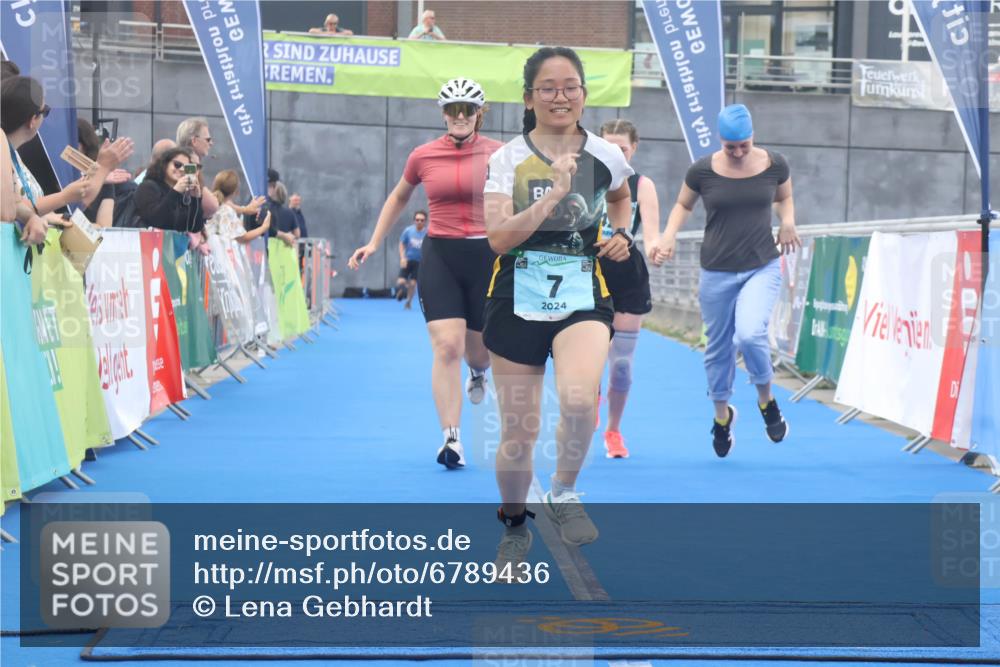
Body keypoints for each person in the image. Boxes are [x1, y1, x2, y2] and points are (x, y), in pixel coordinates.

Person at [482, 47, 634, 570]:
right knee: (519, 433)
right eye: (547, 88)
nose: (560, 97)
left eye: (570, 86)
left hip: (582, 293)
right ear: (529, 98)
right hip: (515, 295)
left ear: (584, 95)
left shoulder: (606, 155)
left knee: (578, 398)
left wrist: (622, 234)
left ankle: (564, 491)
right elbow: (498, 239)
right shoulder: (507, 160)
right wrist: (555, 194)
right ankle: (514, 526)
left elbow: (620, 197)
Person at [348, 77, 502, 470]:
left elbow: (524, 199)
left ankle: (478, 371)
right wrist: (374, 241)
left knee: (479, 351)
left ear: (479, 113)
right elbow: (398, 196)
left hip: (486, 255)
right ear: (444, 114)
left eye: (468, 110)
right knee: (447, 346)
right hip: (441, 255)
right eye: (453, 110)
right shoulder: (423, 155)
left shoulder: (500, 154)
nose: (460, 116)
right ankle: (452, 439)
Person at [649, 104, 801, 458]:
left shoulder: (775, 164)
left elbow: (785, 197)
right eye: (730, 146)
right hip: (716, 269)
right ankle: (722, 417)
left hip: (761, 264)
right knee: (718, 348)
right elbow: (683, 205)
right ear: (720, 140)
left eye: (744, 145)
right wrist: (668, 235)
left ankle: (767, 401)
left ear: (752, 137)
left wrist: (788, 220)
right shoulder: (702, 170)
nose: (737, 153)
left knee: (749, 333)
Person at [596, 119, 661, 460]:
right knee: (588, 355)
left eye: (621, 148)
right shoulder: (585, 179)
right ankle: (588, 399)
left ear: (633, 149)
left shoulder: (642, 185)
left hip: (627, 275)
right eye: (608, 146)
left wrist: (656, 247)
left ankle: (613, 430)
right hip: (590, 273)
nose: (615, 153)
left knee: (621, 364)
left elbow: (650, 231)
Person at [2, 76, 90, 218]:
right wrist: (64, 196)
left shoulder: (13, 153)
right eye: (46, 110)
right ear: (32, 120)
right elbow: (8, 207)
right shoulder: (5, 153)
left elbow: (18, 205)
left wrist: (52, 218)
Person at [78, 118, 135, 228]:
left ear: (85, 145)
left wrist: (99, 174)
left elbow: (104, 226)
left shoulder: (106, 181)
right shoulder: (56, 173)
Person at [133, 147, 205, 233]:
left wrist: (195, 199)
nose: (181, 169)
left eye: (186, 167)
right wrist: (175, 192)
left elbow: (195, 227)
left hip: (174, 240)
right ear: (165, 164)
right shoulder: (147, 187)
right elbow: (157, 220)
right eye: (177, 165)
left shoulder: (182, 194)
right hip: (150, 240)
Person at [208, 169, 270, 243]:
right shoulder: (227, 211)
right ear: (236, 191)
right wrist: (264, 227)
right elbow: (243, 238)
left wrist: (246, 209)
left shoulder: (209, 205)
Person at [176, 117, 219, 218]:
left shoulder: (181, 163)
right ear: (194, 141)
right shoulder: (190, 166)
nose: (211, 143)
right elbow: (210, 206)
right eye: (208, 139)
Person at [396, 210, 428, 310]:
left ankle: (408, 302)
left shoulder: (427, 233)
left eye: (422, 220)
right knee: (401, 281)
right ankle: (403, 290)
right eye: (417, 220)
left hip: (419, 262)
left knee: (413, 284)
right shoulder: (408, 231)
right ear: (414, 220)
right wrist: (402, 257)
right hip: (407, 260)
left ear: (425, 221)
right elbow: (402, 243)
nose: (419, 222)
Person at [268, 181, 299, 248]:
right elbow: (297, 234)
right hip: (286, 250)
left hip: (268, 250)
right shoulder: (290, 213)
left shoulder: (267, 211)